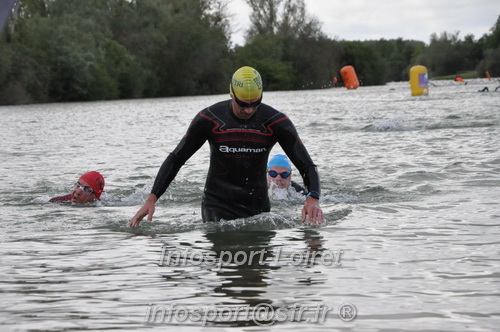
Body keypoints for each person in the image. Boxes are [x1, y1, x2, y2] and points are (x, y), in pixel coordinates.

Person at [129, 66, 323, 227]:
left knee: (258, 270)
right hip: (217, 207)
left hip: (258, 208)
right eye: (243, 104)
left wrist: (312, 198)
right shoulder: (209, 119)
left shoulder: (275, 122)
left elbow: (307, 165)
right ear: (231, 94)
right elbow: (177, 158)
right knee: (227, 266)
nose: (249, 110)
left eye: (255, 104)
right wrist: (152, 198)